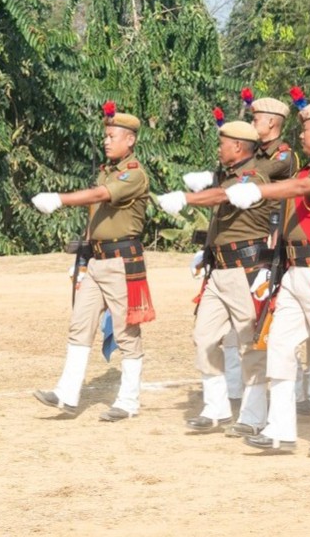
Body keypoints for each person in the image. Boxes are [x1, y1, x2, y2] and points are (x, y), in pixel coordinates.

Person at [222, 101, 310, 458]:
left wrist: (258, 192)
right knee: (279, 348)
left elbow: (302, 191)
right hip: (294, 271)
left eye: (307, 130)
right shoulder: (308, 171)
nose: (300, 135)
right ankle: (280, 429)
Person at [31, 103, 154, 422]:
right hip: (98, 260)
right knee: (80, 323)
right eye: (106, 135)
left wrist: (59, 199)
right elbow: (95, 215)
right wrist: (83, 257)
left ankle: (128, 401)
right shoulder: (107, 171)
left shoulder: (133, 174)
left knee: (127, 332)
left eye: (113, 136)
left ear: (130, 140)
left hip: (121, 261)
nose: (107, 140)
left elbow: (99, 197)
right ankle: (67, 393)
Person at [159, 120, 271, 437]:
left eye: (223, 143)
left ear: (238, 146)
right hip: (220, 271)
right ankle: (217, 408)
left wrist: (186, 198)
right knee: (204, 338)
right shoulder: (226, 175)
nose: (218, 148)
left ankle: (254, 414)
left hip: (245, 271)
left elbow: (222, 197)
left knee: (250, 344)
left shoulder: (252, 177)